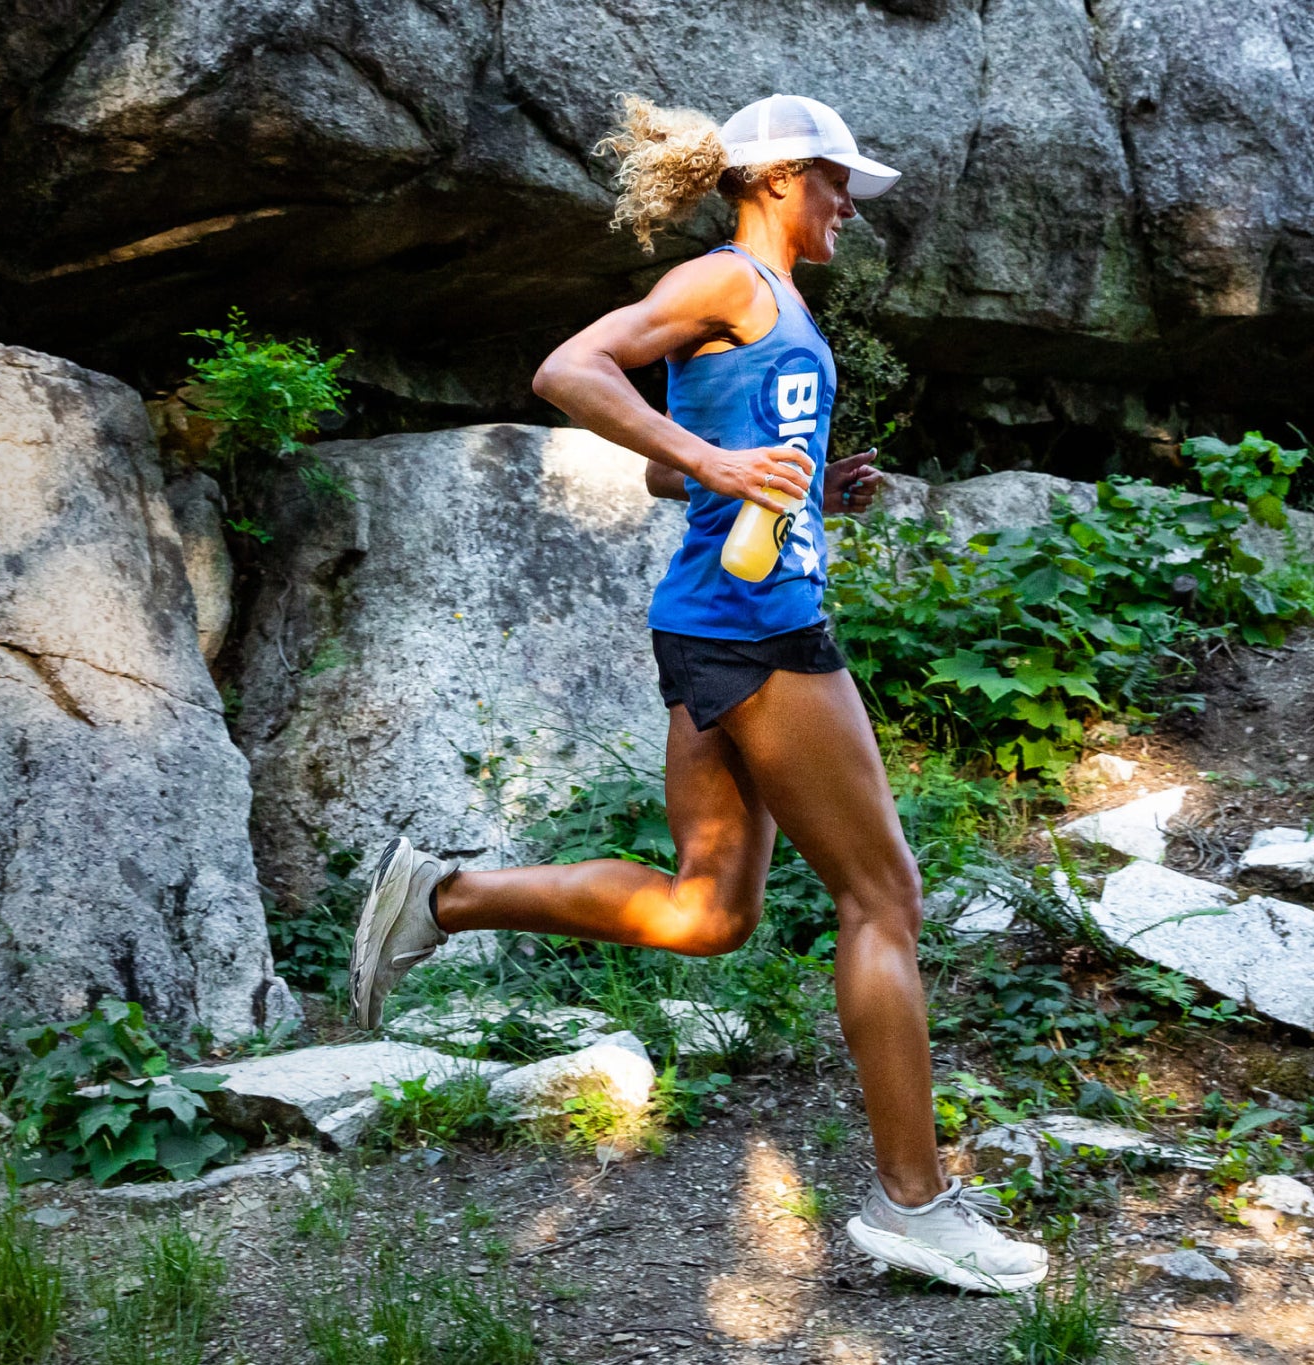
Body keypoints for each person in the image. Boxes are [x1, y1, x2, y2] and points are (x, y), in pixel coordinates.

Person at [348, 93, 1047, 1294]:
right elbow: (569, 368)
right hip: (758, 636)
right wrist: (714, 459)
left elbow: (698, 494)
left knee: (708, 913)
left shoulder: (772, 310)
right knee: (882, 897)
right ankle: (913, 1204)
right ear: (775, 178)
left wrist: (802, 489)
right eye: (833, 183)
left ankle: (440, 896)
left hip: (711, 620)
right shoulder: (727, 282)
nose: (844, 207)